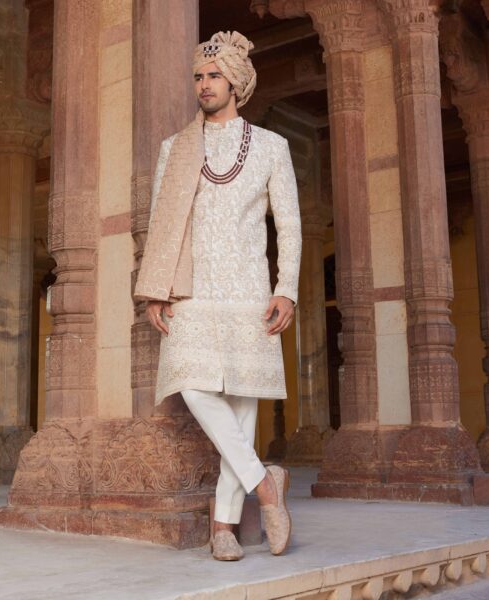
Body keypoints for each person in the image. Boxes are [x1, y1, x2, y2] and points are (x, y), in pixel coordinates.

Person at [133, 31, 302, 561]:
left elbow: (291, 226)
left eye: (213, 76)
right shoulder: (175, 149)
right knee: (193, 385)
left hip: (250, 290)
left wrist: (287, 288)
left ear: (236, 82)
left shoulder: (273, 148)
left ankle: (223, 527)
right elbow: (162, 222)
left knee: (241, 411)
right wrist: (156, 290)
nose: (203, 86)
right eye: (199, 78)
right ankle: (265, 482)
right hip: (192, 289)